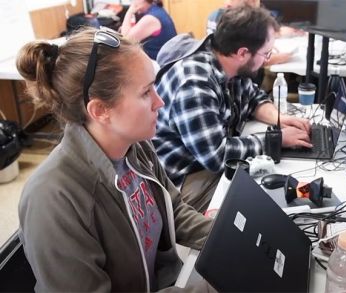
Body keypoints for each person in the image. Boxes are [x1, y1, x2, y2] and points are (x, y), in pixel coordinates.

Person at [16, 27, 213, 292]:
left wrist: (228, 239)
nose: (160, 102)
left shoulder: (136, 147)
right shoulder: (52, 198)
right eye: (146, 93)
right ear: (100, 110)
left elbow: (173, 209)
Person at [153, 6, 312, 213]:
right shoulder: (194, 84)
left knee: (270, 179)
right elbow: (217, 156)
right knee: (261, 195)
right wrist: (278, 139)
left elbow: (253, 98)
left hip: (202, 162)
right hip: (182, 180)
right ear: (243, 53)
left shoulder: (229, 63)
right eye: (266, 53)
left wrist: (279, 119)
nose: (266, 60)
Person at [206, 0, 303, 66]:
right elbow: (245, 61)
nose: (255, 5)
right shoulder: (236, 22)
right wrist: (279, 58)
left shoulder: (217, 15)